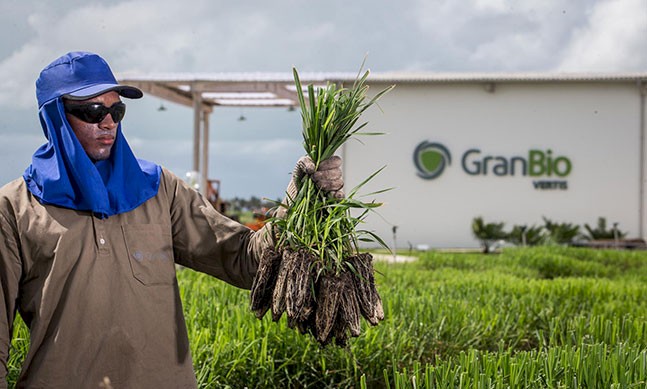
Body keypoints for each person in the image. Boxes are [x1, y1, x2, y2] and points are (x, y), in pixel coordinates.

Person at [0, 51, 343, 388]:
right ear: (56, 117)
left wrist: (299, 203)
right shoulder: (15, 209)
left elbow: (244, 259)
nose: (109, 122)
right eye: (92, 111)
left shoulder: (159, 189)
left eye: (116, 109)